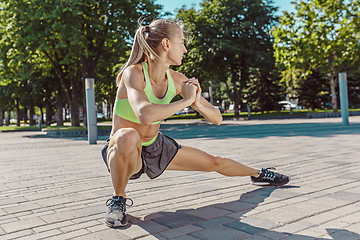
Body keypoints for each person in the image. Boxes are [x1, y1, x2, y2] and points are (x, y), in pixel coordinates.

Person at [101, 19, 289, 228]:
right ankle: (118, 200)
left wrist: (197, 102)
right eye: (182, 42)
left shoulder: (176, 79)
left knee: (215, 162)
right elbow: (145, 114)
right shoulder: (133, 73)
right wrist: (186, 101)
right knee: (128, 136)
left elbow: (217, 118)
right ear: (166, 44)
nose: (186, 49)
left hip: (156, 146)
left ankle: (259, 173)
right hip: (125, 151)